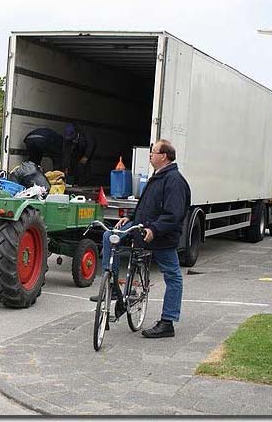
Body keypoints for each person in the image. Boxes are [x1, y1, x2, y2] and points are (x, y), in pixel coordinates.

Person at [90, 139, 191, 338]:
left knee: (173, 276)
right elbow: (146, 205)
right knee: (109, 236)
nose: (150, 155)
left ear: (164, 156)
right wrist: (130, 217)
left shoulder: (174, 180)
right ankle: (113, 288)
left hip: (161, 236)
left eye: (153, 152)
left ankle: (167, 322)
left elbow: (174, 214)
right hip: (140, 227)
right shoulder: (158, 176)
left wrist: (154, 229)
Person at [22, 124, 95, 185]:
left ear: (75, 133)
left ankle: (30, 179)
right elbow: (63, 155)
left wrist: (86, 156)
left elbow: (91, 145)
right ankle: (56, 178)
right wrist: (63, 169)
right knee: (57, 158)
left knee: (34, 161)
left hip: (29, 139)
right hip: (41, 140)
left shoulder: (86, 135)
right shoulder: (59, 140)